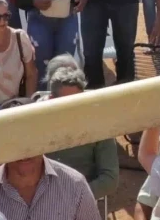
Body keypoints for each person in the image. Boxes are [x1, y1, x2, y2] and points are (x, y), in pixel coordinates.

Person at [41, 56, 120, 202]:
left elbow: (110, 178)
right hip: (41, 198)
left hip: (81, 198)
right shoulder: (34, 118)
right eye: (68, 104)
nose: (75, 109)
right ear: (52, 99)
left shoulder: (99, 123)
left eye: (79, 102)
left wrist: (75, 196)